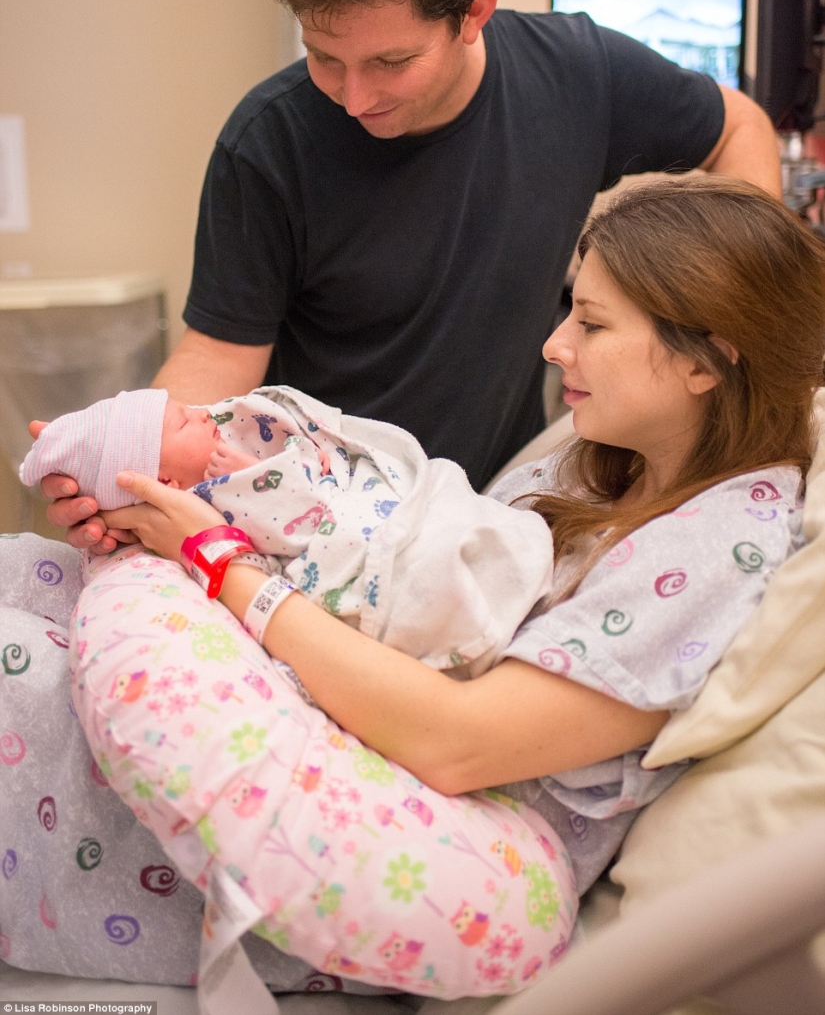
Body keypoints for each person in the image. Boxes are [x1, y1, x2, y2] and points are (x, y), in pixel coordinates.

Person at [3, 177, 820, 1001]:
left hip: (399, 816)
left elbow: (459, 740)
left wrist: (216, 558)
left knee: (23, 684)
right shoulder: (604, 464)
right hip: (322, 687)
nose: (553, 345)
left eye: (592, 323)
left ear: (706, 359)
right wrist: (151, 486)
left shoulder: (714, 549)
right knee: (32, 586)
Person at [43, 0, 782, 552]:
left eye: (390, 62)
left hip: (498, 511)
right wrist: (135, 469)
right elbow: (219, 356)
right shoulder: (268, 142)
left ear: (474, 13)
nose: (354, 98)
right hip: (319, 527)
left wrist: (743, 325)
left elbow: (739, 128)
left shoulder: (578, 76)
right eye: (324, 57)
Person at [21, 383, 557, 675]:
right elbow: (290, 527)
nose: (203, 415)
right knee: (432, 563)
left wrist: (300, 453)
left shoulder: (226, 440)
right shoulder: (199, 502)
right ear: (163, 482)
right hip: (354, 547)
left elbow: (305, 456)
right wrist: (252, 479)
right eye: (184, 420)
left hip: (374, 496)